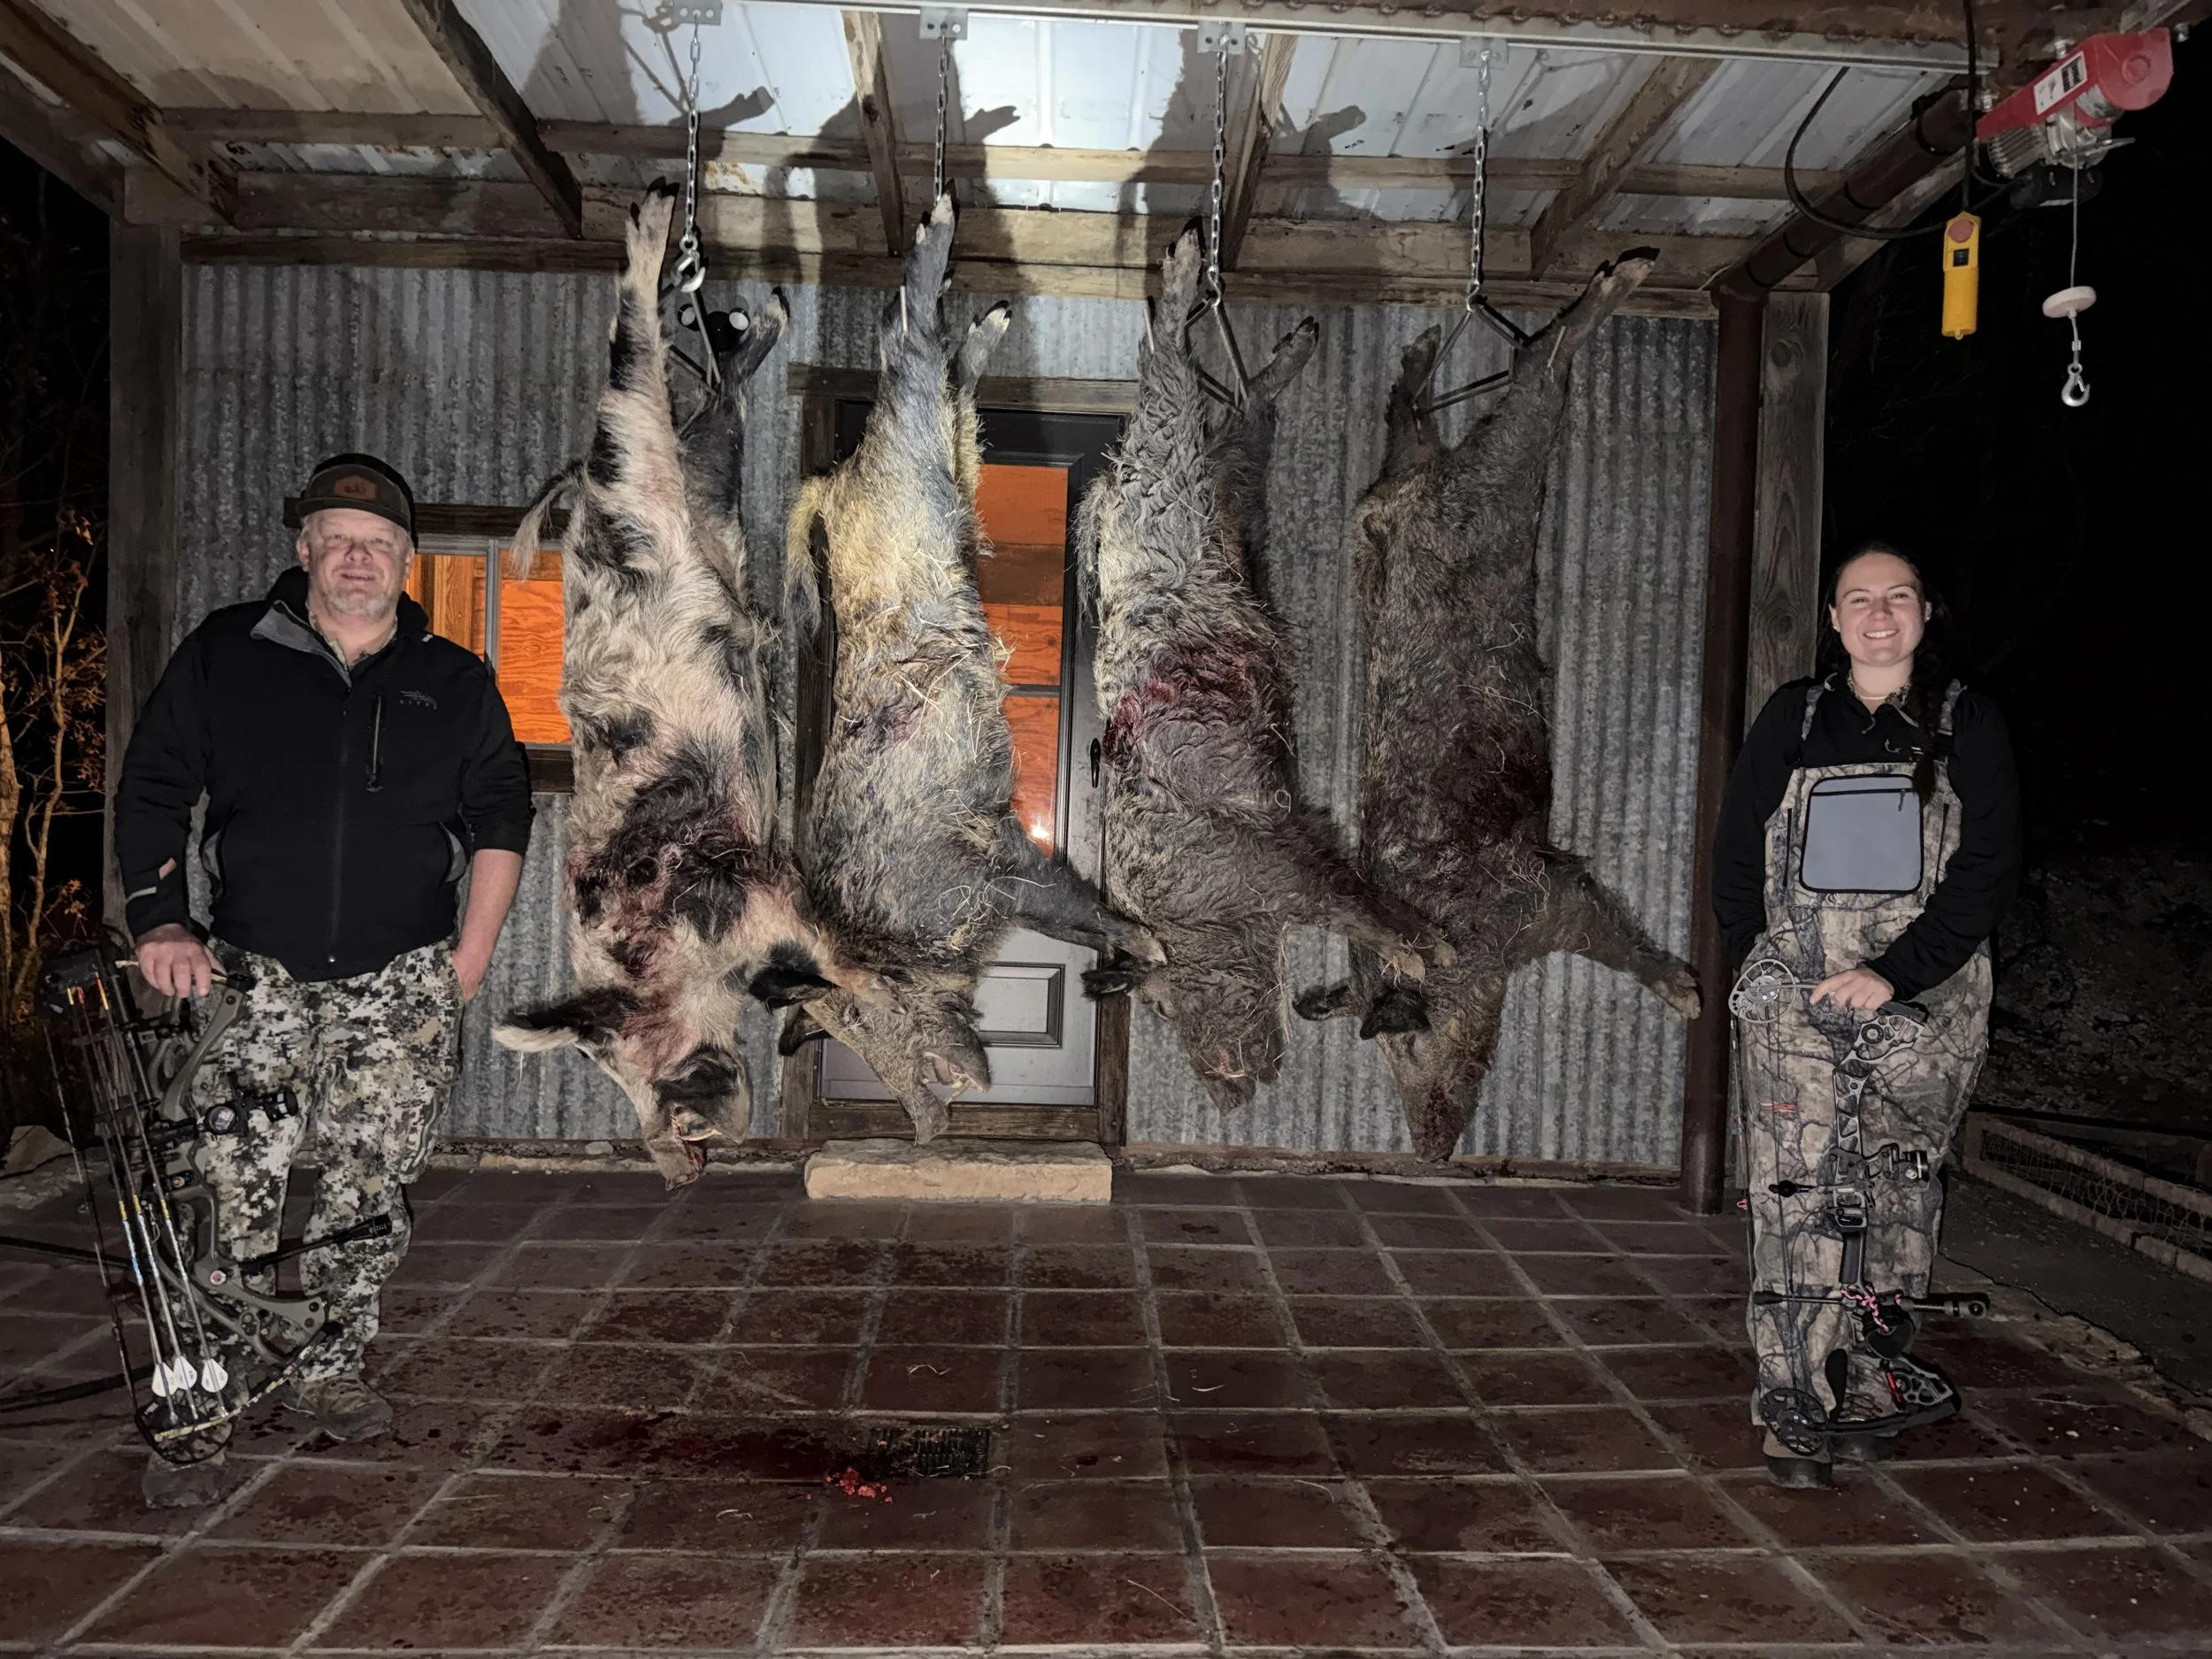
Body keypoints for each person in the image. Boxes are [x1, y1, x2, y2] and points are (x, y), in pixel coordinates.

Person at [114, 454, 532, 1506]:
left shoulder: (453, 678)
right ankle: (206, 1403)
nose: (356, 558)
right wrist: (161, 920)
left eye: (378, 544)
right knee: (224, 1195)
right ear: (302, 549)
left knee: (367, 1188)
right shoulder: (227, 654)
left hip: (399, 984)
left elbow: (500, 819)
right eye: (337, 539)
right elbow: (156, 787)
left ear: (407, 562)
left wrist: (468, 959)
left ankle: (327, 1367)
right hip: (250, 978)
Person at [1712, 541, 2019, 1488]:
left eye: (1896, 598)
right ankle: (1793, 1404)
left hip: (1922, 1003)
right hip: (1799, 1007)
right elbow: (1735, 855)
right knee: (1795, 1198)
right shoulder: (1792, 721)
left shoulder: (1970, 723)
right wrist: (1760, 964)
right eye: (1857, 599)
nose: (1877, 614)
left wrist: (1895, 973)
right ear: (1834, 619)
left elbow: (1985, 871)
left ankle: (1867, 1379)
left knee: (1891, 1193)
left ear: (1926, 614)